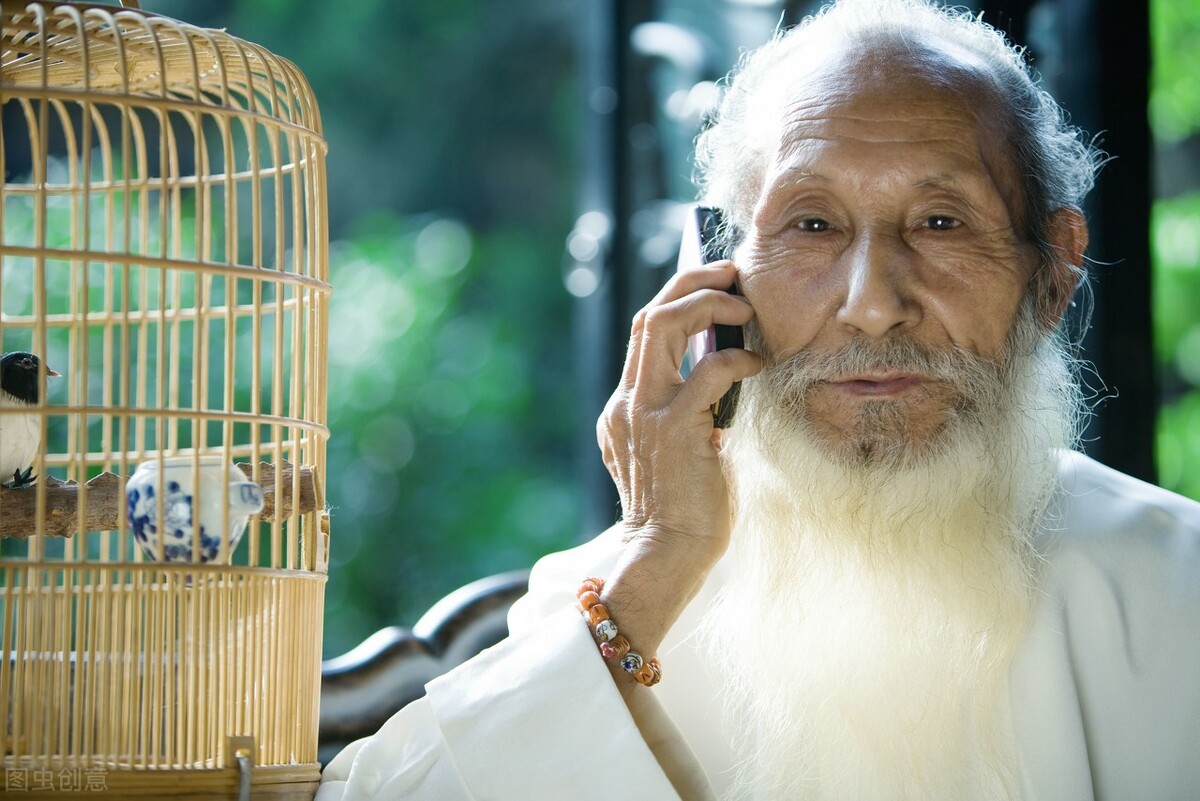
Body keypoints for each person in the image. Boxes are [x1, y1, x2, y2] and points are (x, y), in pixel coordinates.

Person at [318, 0, 1200, 798]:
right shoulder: (622, 595)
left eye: (941, 222)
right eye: (812, 225)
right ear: (718, 280)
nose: (873, 303)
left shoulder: (1176, 586)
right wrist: (660, 555)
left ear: (1054, 271)